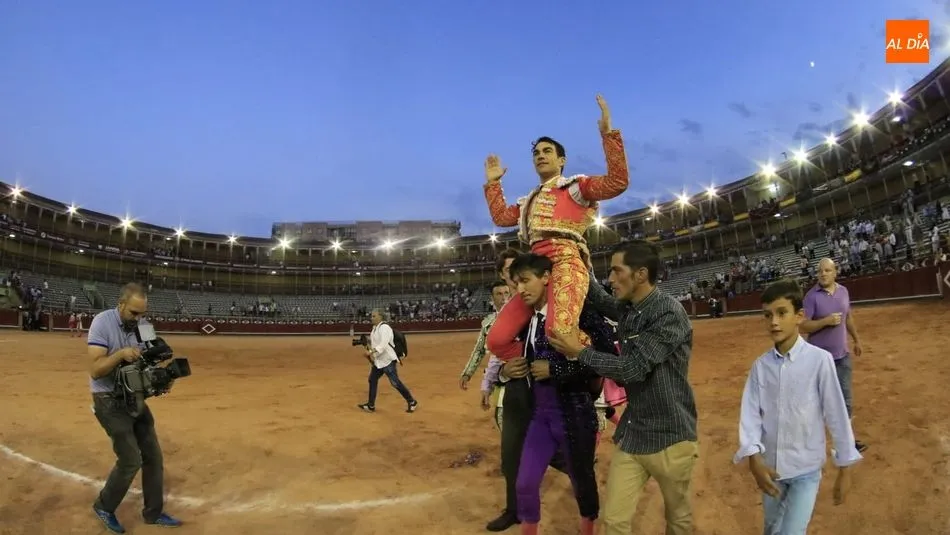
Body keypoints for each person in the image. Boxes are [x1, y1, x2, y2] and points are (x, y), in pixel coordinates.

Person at [549, 240, 698, 535]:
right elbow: (602, 300)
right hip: (634, 435)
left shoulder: (669, 313)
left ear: (640, 274)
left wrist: (578, 351)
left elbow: (632, 368)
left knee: (678, 519)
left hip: (671, 436)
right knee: (615, 521)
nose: (611, 279)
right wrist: (582, 267)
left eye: (617, 272)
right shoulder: (630, 308)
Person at [483, 94, 630, 362]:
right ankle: (540, 364)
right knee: (497, 339)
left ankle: (600, 367)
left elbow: (617, 182)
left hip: (566, 261)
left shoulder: (575, 187)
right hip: (534, 269)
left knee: (559, 332)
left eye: (547, 151)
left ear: (562, 160)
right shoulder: (529, 200)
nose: (540, 156)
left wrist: (609, 135)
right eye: (536, 153)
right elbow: (503, 217)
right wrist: (494, 184)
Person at [734, 279, 861, 534]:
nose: (774, 322)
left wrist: (845, 467)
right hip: (772, 470)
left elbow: (836, 413)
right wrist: (754, 459)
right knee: (771, 528)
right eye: (768, 315)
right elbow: (750, 416)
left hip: (806, 470)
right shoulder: (761, 367)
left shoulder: (819, 361)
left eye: (782, 313)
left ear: (799, 316)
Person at [505, 253, 617, 535]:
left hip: (575, 413)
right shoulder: (528, 320)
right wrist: (510, 369)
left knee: (582, 480)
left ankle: (588, 529)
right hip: (540, 415)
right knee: (525, 483)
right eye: (516, 283)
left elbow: (606, 356)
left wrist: (557, 370)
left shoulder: (581, 311)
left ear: (546, 278)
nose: (520, 289)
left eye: (526, 281)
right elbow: (519, 362)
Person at [86, 282, 181, 533]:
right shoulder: (102, 322)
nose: (138, 319)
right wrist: (120, 354)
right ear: (121, 305)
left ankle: (154, 513)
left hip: (134, 396)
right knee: (130, 459)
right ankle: (104, 506)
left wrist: (163, 380)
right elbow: (95, 371)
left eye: (142, 314)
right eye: (133, 313)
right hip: (108, 399)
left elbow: (152, 360)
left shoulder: (143, 327)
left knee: (153, 456)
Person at [801, 258, 867, 452]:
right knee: (815, 402)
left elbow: (849, 318)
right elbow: (803, 325)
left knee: (845, 400)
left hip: (841, 356)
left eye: (827, 270)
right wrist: (826, 321)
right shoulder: (811, 296)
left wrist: (856, 340)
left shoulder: (844, 292)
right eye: (820, 271)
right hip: (817, 361)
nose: (823, 274)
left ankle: (846, 443)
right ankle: (810, 444)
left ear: (835, 272)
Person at [459, 280, 511, 423]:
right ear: (492, 299)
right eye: (499, 294)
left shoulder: (523, 318)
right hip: (500, 376)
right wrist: (467, 373)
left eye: (506, 293)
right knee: (501, 417)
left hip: (522, 377)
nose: (503, 297)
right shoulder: (489, 323)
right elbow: (479, 350)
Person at [357, 309, 418, 413]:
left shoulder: (384, 327)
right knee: (372, 379)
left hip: (388, 360)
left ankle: (412, 401)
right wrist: (367, 343)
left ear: (381, 316)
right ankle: (371, 405)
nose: (371, 318)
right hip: (379, 361)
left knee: (395, 383)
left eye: (374, 316)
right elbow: (376, 343)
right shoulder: (375, 328)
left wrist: (371, 351)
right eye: (371, 316)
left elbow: (383, 344)